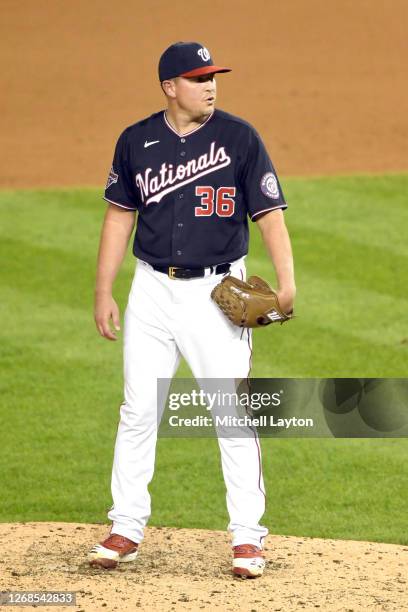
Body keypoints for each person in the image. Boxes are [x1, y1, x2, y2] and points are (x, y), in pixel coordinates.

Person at [88, 41, 296, 578]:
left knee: (231, 415)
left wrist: (288, 281)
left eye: (213, 77)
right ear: (169, 87)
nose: (210, 85)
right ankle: (125, 526)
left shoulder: (239, 137)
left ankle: (248, 539)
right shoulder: (136, 141)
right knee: (138, 411)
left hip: (215, 296)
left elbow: (269, 214)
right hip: (151, 293)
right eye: (199, 77)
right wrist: (103, 289)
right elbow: (118, 217)